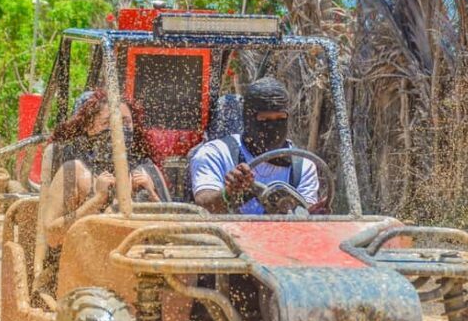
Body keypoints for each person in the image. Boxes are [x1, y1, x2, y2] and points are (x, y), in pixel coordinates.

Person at [41, 89, 162, 248]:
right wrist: (97, 200)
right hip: (84, 265)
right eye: (108, 123)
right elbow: (51, 236)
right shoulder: (74, 171)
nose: (118, 130)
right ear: (90, 129)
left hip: (140, 266)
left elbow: (171, 237)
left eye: (125, 122)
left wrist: (152, 196)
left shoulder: (148, 171)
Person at [189, 77, 320, 214]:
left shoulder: (302, 165)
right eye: (264, 119)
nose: (273, 127)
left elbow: (304, 215)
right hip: (226, 235)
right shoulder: (216, 154)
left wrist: (314, 214)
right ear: (247, 118)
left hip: (280, 235)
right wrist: (229, 193)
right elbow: (204, 205)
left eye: (280, 119)